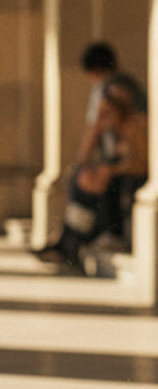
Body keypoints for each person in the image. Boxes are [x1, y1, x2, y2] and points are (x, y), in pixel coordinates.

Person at [36, 75, 149, 270]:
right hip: (111, 186)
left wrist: (111, 170)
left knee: (87, 180)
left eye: (112, 102)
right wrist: (96, 127)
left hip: (127, 185)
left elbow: (143, 165)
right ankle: (67, 239)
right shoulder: (111, 128)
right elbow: (82, 160)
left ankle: (69, 241)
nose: (107, 106)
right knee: (80, 175)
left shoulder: (135, 126)